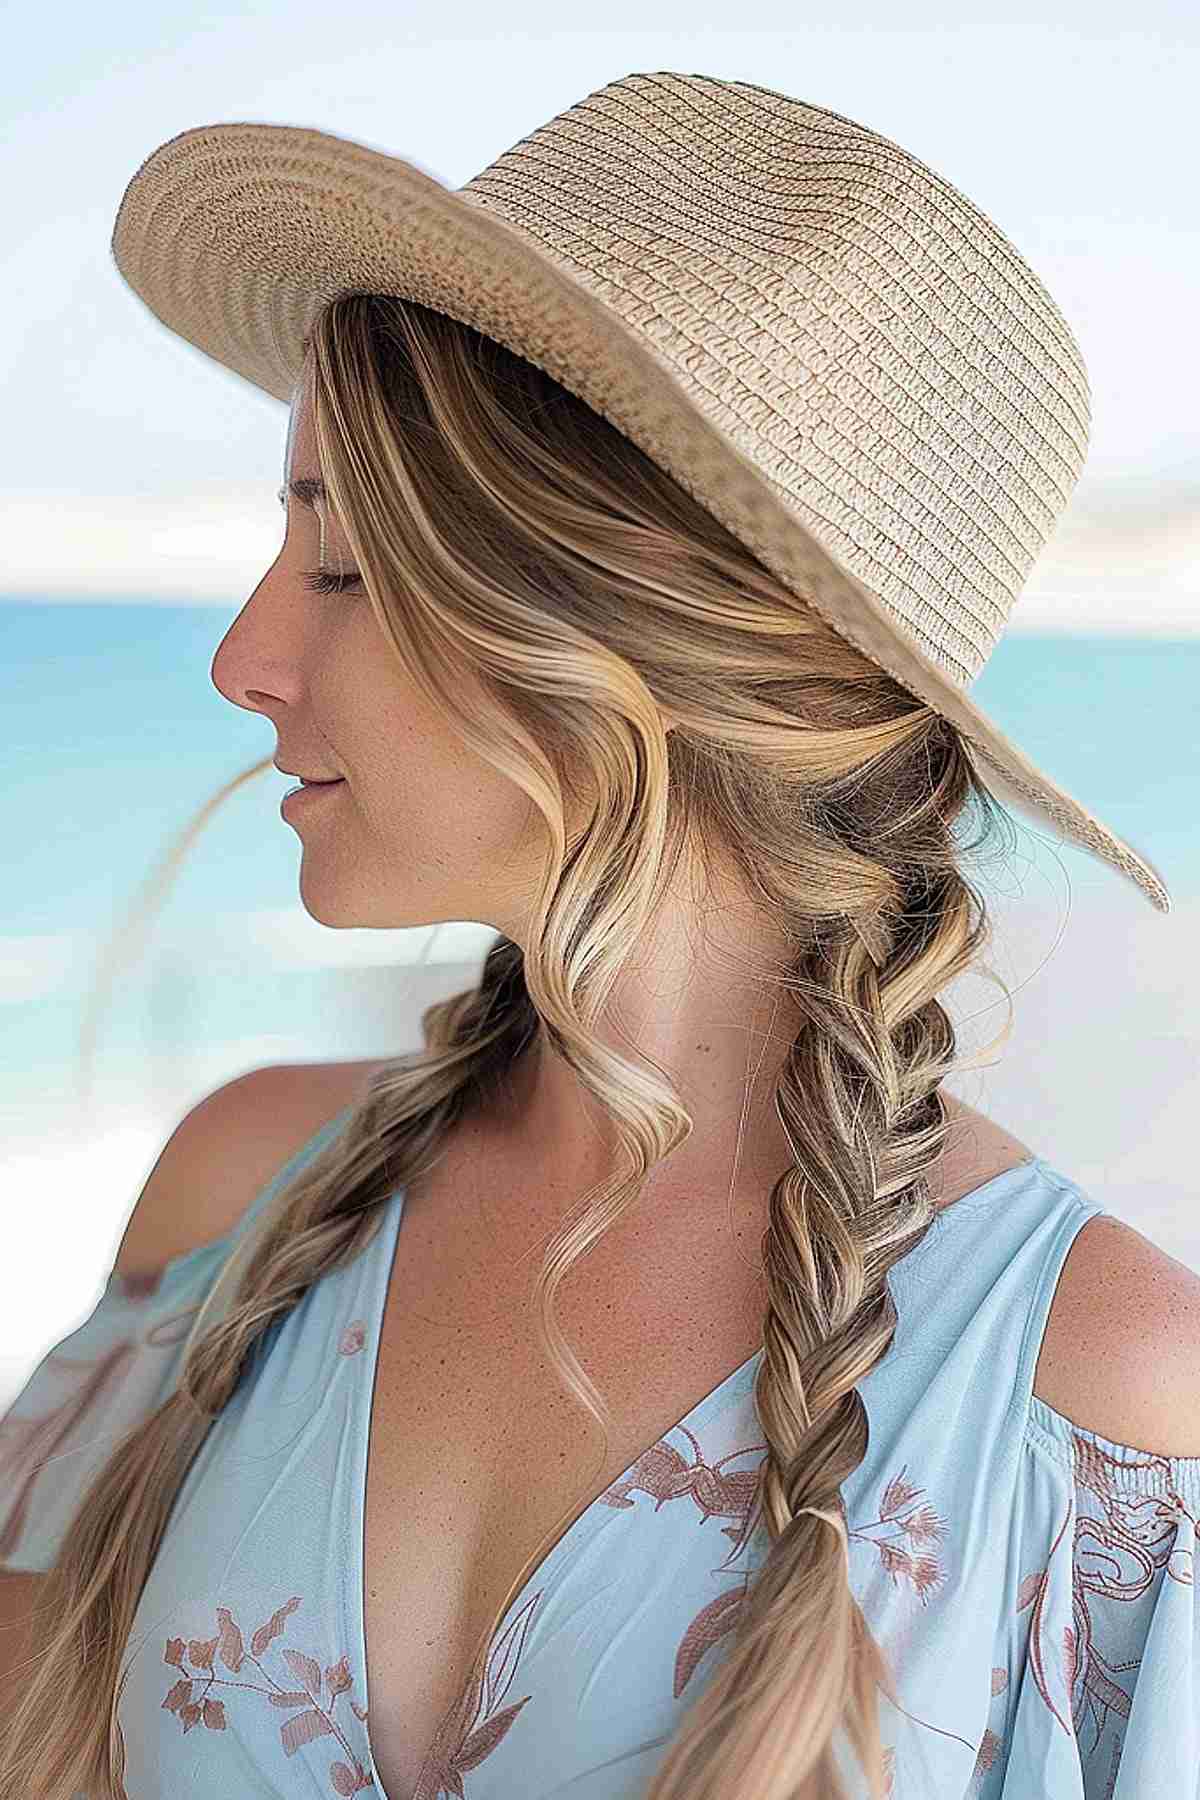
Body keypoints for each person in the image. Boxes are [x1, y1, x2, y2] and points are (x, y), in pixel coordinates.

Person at [1, 72, 1196, 1800]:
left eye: (339, 566)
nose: (244, 657)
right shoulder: (235, 1207)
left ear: (622, 624)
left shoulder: (1098, 1412)